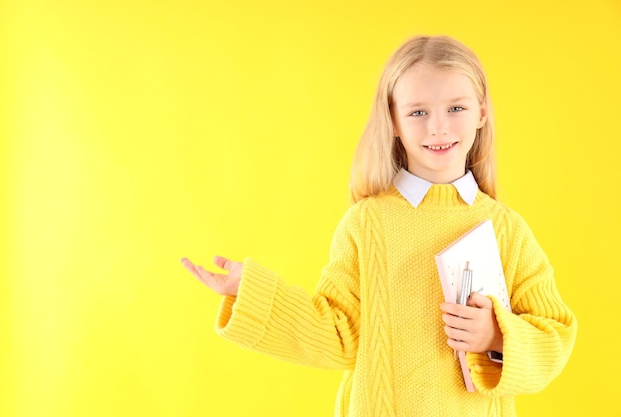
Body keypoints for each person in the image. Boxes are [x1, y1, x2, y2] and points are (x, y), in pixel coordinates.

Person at [181, 35, 577, 416]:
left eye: (455, 108)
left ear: (481, 112)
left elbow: (555, 336)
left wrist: (495, 335)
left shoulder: (507, 230)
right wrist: (249, 295)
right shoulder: (366, 224)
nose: (437, 127)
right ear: (393, 121)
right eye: (417, 112)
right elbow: (338, 333)